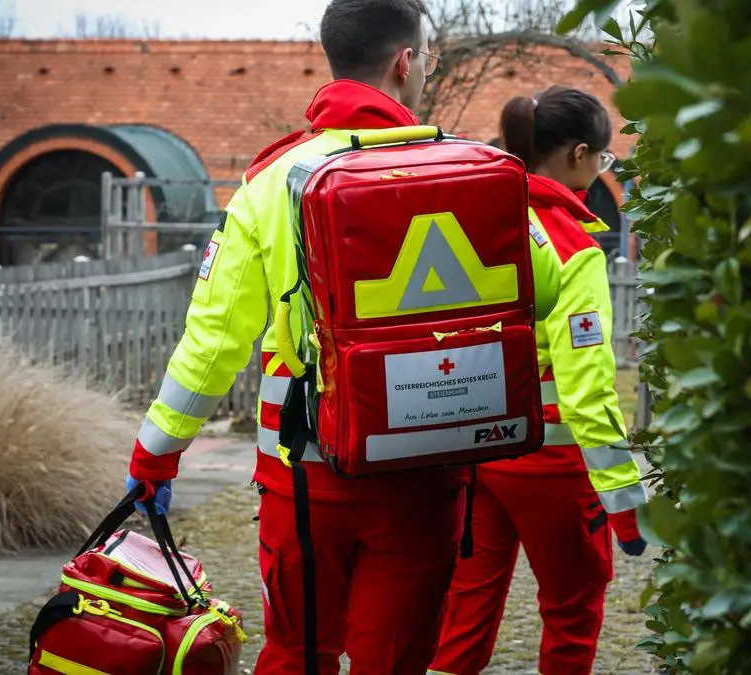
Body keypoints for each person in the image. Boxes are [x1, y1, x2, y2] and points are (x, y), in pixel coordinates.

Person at [122, 1, 560, 673]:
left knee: (298, 652)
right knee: (395, 660)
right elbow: (546, 289)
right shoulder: (469, 170)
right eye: (427, 59)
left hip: (303, 474)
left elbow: (212, 343)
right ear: (405, 63)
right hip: (425, 467)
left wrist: (156, 453)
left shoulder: (268, 183)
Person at [428, 86, 650, 675]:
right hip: (550, 461)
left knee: (463, 614)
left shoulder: (470, 224)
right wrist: (625, 504)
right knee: (572, 610)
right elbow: (586, 388)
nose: (600, 168)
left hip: (472, 452)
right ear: (579, 154)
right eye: (602, 158)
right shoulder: (573, 248)